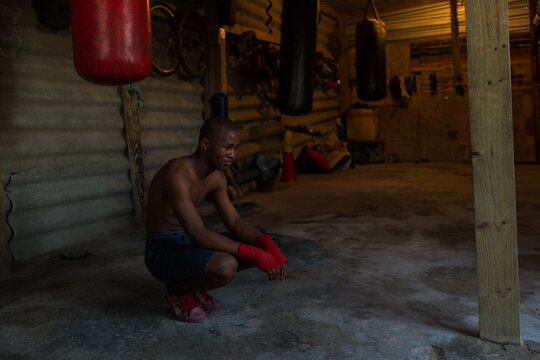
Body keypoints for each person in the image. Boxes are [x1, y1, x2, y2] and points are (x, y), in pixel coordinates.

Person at [145, 116, 288, 323]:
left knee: (256, 243)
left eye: (235, 149)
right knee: (225, 266)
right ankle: (177, 291)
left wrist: (263, 242)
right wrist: (254, 254)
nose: (232, 155)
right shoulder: (177, 174)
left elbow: (235, 222)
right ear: (205, 144)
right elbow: (198, 234)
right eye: (227, 148)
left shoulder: (217, 177)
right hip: (162, 250)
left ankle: (195, 286)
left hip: (187, 244)